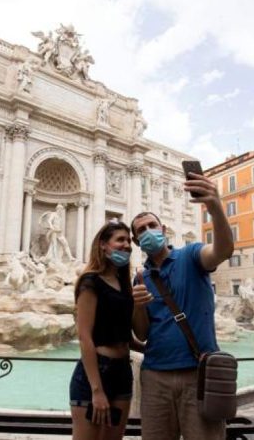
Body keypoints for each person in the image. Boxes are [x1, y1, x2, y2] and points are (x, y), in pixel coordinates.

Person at [130, 171, 234, 440]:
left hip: (197, 372)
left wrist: (215, 209)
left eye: (152, 226)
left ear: (163, 230)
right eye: (141, 230)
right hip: (154, 375)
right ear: (136, 241)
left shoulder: (191, 256)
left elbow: (222, 251)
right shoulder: (140, 277)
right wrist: (137, 306)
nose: (148, 232)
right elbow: (141, 334)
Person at [69, 220, 153, 440]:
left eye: (128, 241)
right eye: (120, 240)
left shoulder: (125, 284)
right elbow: (85, 338)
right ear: (103, 245)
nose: (127, 245)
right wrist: (97, 390)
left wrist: (155, 349)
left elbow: (129, 337)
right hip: (95, 374)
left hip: (122, 372)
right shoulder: (90, 282)